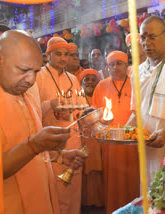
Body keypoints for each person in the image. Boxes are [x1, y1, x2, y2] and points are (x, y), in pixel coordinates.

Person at [0, 30, 87, 214]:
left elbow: (32, 154)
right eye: (23, 70)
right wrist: (35, 144)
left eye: (35, 71)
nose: (31, 80)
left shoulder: (26, 96)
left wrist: (60, 157)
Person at [127, 16, 165, 183]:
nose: (146, 43)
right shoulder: (137, 72)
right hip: (147, 152)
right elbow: (136, 114)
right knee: (149, 199)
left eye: (152, 37)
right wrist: (121, 132)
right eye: (143, 38)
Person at [36, 37, 83, 214]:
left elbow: (79, 105)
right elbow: (32, 110)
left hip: (73, 139)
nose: (63, 58)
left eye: (66, 54)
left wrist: (80, 113)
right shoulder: (39, 76)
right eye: (58, 54)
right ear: (48, 55)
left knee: (73, 188)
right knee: (56, 189)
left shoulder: (73, 78)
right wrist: (51, 104)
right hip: (51, 143)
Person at [92, 51, 140, 213]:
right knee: (112, 181)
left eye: (119, 63)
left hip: (131, 141)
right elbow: (95, 114)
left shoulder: (136, 83)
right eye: (111, 64)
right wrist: (99, 128)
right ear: (107, 67)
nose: (115, 67)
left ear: (127, 66)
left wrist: (126, 131)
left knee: (132, 179)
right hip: (110, 143)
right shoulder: (101, 86)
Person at [77, 69, 104, 213]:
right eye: (87, 79)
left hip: (99, 143)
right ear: (81, 83)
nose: (90, 82)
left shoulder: (101, 98)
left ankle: (99, 201)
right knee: (84, 172)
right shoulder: (77, 99)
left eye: (94, 80)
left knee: (98, 172)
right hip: (81, 141)